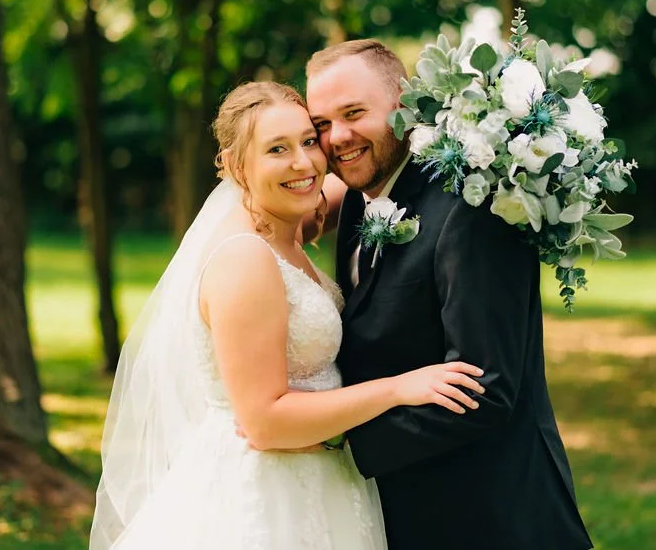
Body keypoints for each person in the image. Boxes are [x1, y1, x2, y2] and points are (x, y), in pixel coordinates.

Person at [89, 80, 486, 549]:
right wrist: (397, 389)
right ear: (238, 165)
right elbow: (264, 421)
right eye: (277, 149)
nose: (304, 163)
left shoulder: (288, 230)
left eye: (309, 141)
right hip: (268, 494)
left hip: (320, 478)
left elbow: (366, 178)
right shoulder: (245, 258)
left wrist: (475, 139)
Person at [304, 39, 594, 550]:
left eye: (353, 113)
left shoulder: (472, 209)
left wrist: (345, 444)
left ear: (405, 102)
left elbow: (486, 392)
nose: (338, 138)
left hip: (493, 517)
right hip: (408, 514)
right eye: (322, 124)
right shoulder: (354, 201)